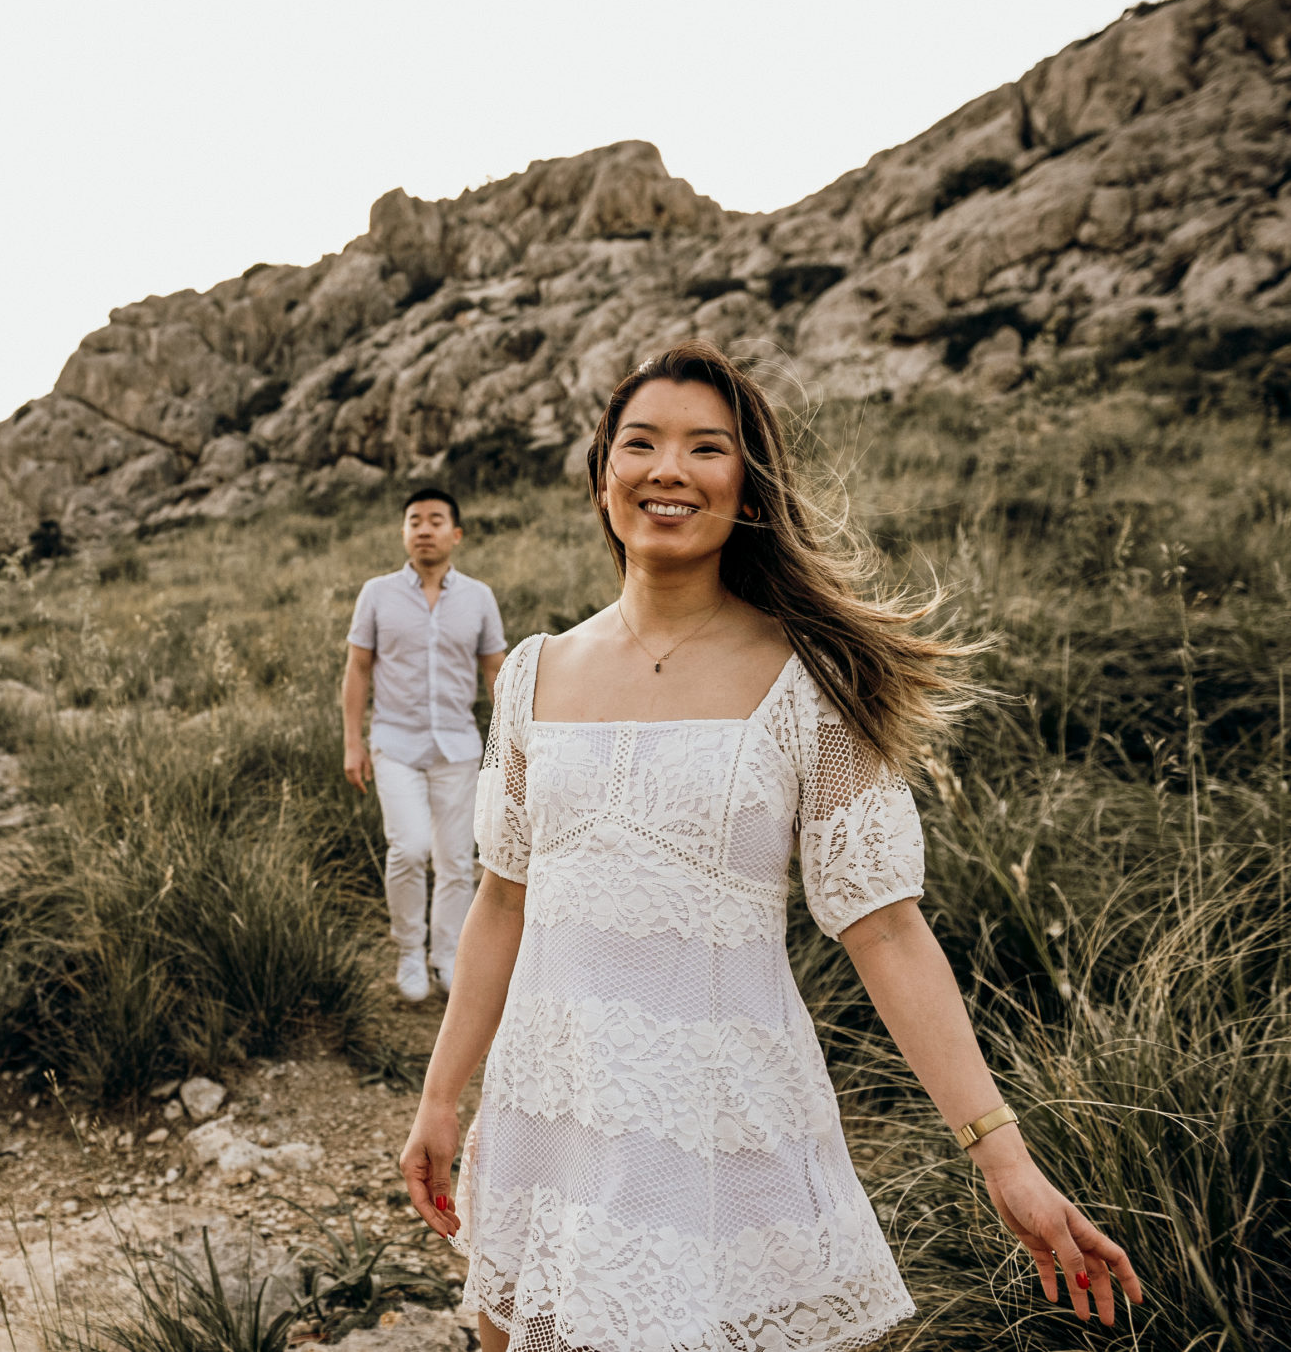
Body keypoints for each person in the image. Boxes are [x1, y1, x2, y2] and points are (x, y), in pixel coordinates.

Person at [397, 342, 1145, 1352]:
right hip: (545, 1115)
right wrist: (441, 1096)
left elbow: (883, 926)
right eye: (640, 443)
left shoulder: (811, 680)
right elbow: (500, 900)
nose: (668, 468)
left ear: (745, 489)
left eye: (705, 448)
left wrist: (1001, 1155)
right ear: (601, 475)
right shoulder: (531, 673)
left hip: (714, 1133)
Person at [343, 488, 507, 1003]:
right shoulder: (376, 593)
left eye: (436, 521)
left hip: (458, 747)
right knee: (409, 849)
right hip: (395, 743)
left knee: (457, 862)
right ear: (404, 533)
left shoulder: (479, 597)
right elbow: (358, 668)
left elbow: (495, 670)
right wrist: (353, 743)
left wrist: (510, 746)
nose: (424, 529)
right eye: (414, 520)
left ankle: (447, 955)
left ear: (455, 534)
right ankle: (410, 950)